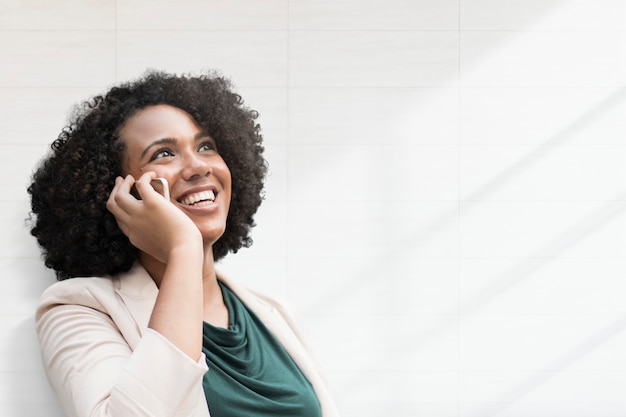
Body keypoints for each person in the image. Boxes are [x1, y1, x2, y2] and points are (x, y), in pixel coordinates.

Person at [28, 70, 340, 417]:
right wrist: (183, 248)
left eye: (206, 146)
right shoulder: (78, 310)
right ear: (119, 193)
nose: (197, 167)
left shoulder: (273, 311)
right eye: (163, 154)